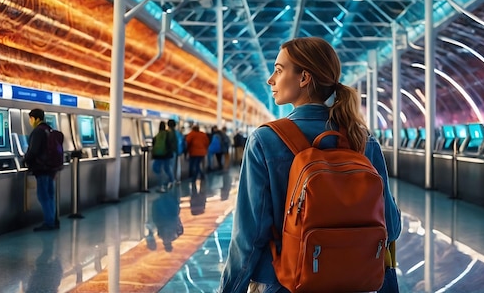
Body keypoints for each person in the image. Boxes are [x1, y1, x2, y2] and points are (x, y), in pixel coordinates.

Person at [218, 37, 402, 293]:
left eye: (279, 70)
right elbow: (390, 226)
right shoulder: (362, 139)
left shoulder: (265, 140)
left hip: (284, 282)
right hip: (356, 281)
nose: (271, 79)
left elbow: (249, 238)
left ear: (304, 78)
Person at [23, 108, 59, 232]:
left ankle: (49, 223)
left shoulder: (37, 131)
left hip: (42, 168)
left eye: (31, 118)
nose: (30, 121)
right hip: (51, 168)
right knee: (50, 195)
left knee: (43, 196)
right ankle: (53, 220)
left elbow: (33, 150)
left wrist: (25, 160)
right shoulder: (49, 130)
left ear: (36, 119)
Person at [152, 121, 176, 193]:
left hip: (158, 155)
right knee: (167, 168)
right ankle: (171, 181)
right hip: (166, 155)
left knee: (157, 169)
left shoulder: (157, 135)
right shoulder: (168, 134)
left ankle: (161, 185)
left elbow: (153, 144)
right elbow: (171, 144)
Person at [167, 119, 185, 184]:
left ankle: (171, 180)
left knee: (170, 166)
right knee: (177, 166)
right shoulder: (178, 133)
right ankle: (177, 180)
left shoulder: (168, 133)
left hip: (170, 151)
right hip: (178, 151)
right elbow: (182, 142)